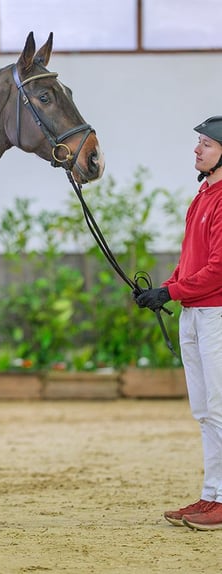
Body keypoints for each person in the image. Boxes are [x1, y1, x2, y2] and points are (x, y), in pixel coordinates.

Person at [135, 115, 222, 530]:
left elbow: (220, 270)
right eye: (199, 142)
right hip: (195, 314)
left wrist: (169, 292)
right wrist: (163, 289)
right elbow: (193, 261)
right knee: (205, 410)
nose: (197, 149)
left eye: (206, 143)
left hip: (217, 315)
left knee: (220, 409)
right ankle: (212, 496)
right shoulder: (203, 197)